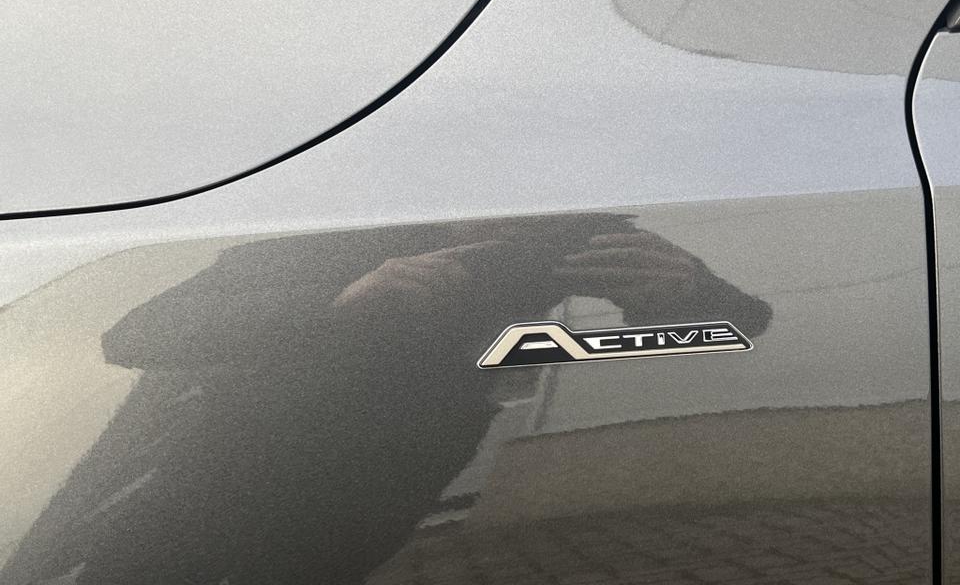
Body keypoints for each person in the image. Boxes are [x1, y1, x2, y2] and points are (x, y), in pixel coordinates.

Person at [1, 213, 770, 585]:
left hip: (392, 481)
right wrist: (339, 300)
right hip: (223, 469)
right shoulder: (322, 228)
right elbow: (136, 334)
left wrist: (688, 294)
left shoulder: (570, 230)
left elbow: (736, 328)